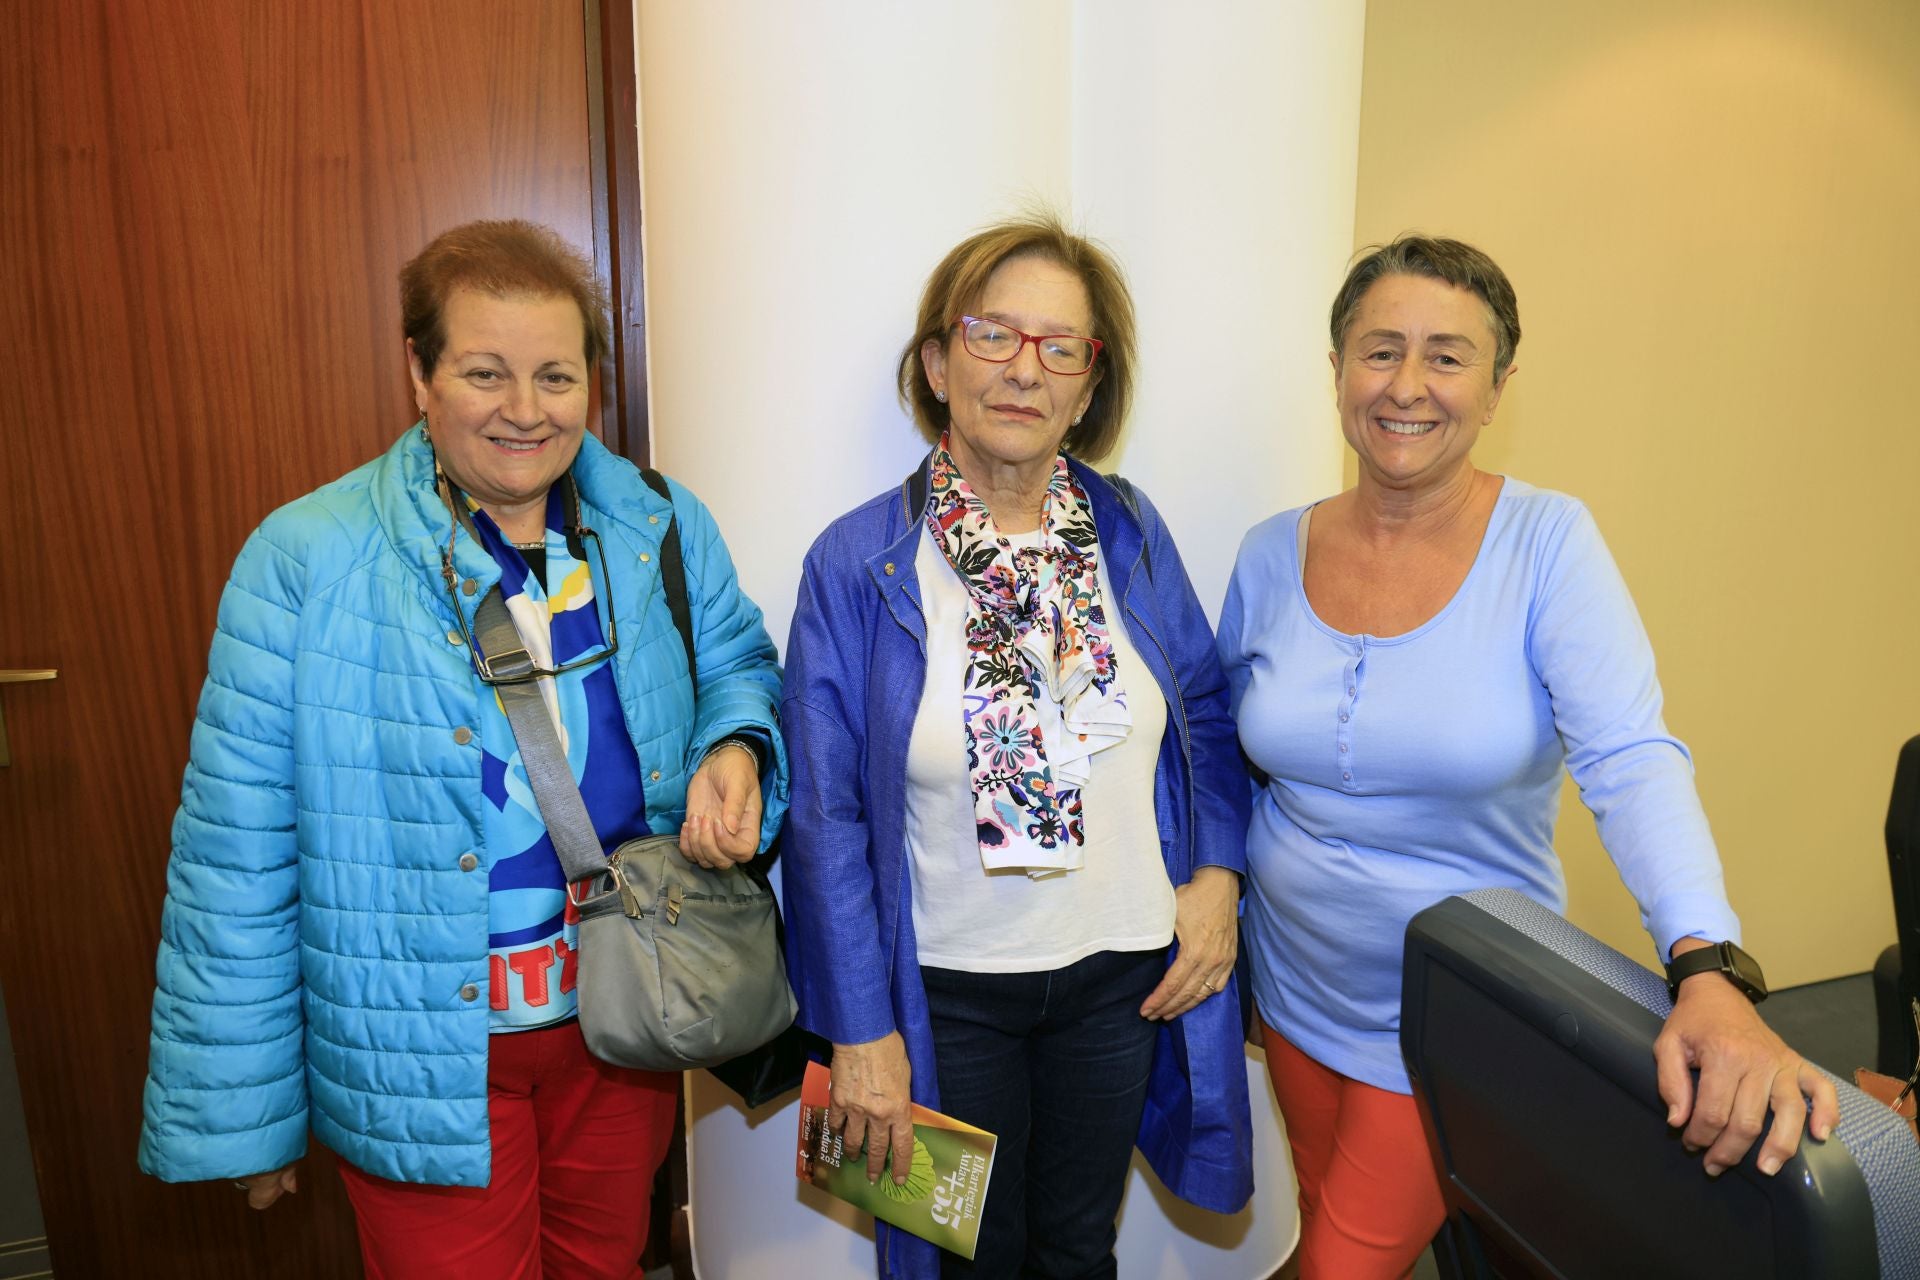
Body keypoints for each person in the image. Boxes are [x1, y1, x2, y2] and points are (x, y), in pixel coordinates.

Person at [138, 219, 788, 1277]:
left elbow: (737, 662)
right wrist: (241, 1118)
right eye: (485, 372)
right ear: (418, 372)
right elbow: (233, 857)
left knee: (606, 1264)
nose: (526, 410)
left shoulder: (655, 521)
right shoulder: (305, 559)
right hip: (420, 1053)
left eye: (555, 375)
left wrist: (739, 745)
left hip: (624, 1013)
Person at [1217, 234, 1840, 1279]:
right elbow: (1234, 753)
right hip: (1291, 986)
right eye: (1380, 351)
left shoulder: (1549, 542)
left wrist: (1709, 963)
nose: (1408, 385)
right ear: (1336, 370)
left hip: (1447, 1004)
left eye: (1448, 356)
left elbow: (1632, 756)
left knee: (1336, 1267)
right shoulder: (1269, 551)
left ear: (1499, 384)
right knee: (1324, 1207)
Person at [780, 213, 1253, 1280]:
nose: (1023, 370)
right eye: (994, 335)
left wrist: (1218, 875)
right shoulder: (859, 563)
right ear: (939, 362)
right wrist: (861, 1025)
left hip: (1120, 976)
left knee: (1080, 1247)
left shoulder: (1130, 533)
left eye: (1060, 347)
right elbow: (824, 816)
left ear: (1090, 387)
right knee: (969, 1261)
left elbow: (1207, 718)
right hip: (945, 993)